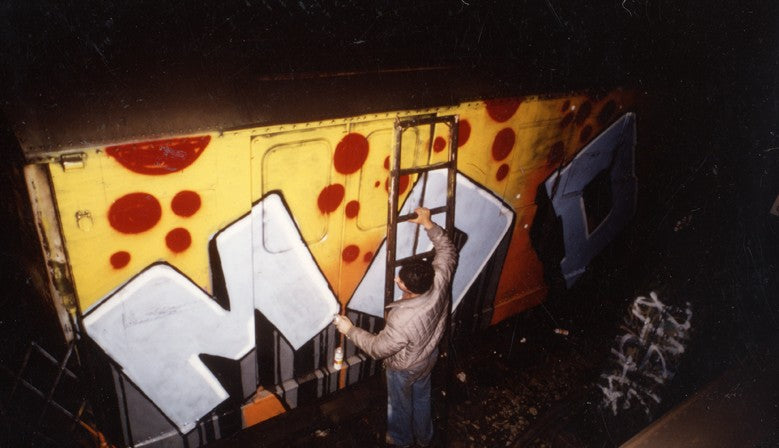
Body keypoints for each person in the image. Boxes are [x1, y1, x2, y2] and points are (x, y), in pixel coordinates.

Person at [334, 207, 457, 447]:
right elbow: (447, 249)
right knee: (421, 396)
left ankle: (401, 440)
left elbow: (378, 348)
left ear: (408, 289)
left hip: (405, 367)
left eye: (399, 280)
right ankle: (424, 436)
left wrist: (349, 329)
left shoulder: (403, 319)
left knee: (400, 403)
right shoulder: (440, 278)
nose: (395, 280)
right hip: (428, 355)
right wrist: (428, 224)